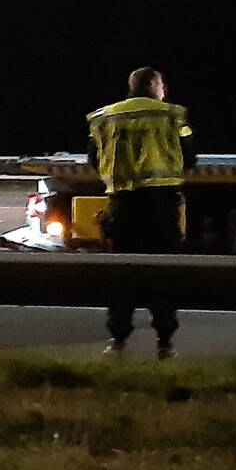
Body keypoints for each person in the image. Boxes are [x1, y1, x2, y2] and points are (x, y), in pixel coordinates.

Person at [87, 67, 196, 359]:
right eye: (162, 84)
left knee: (122, 276)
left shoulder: (105, 117)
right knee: (163, 276)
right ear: (154, 85)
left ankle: (118, 340)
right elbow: (190, 157)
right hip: (161, 207)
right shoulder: (173, 115)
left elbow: (94, 159)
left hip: (123, 206)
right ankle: (165, 342)